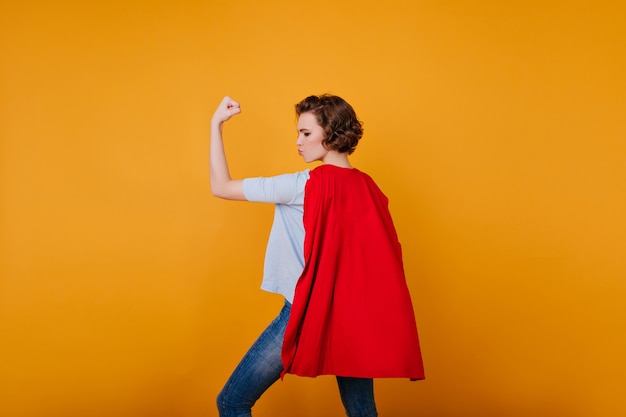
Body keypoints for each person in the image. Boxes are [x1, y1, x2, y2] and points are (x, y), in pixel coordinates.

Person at [210, 94, 424, 417]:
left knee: (231, 402)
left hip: (305, 310)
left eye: (306, 133)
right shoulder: (370, 188)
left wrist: (215, 125)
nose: (298, 142)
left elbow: (221, 187)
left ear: (331, 133)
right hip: (351, 317)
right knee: (363, 413)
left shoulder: (302, 185)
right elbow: (383, 259)